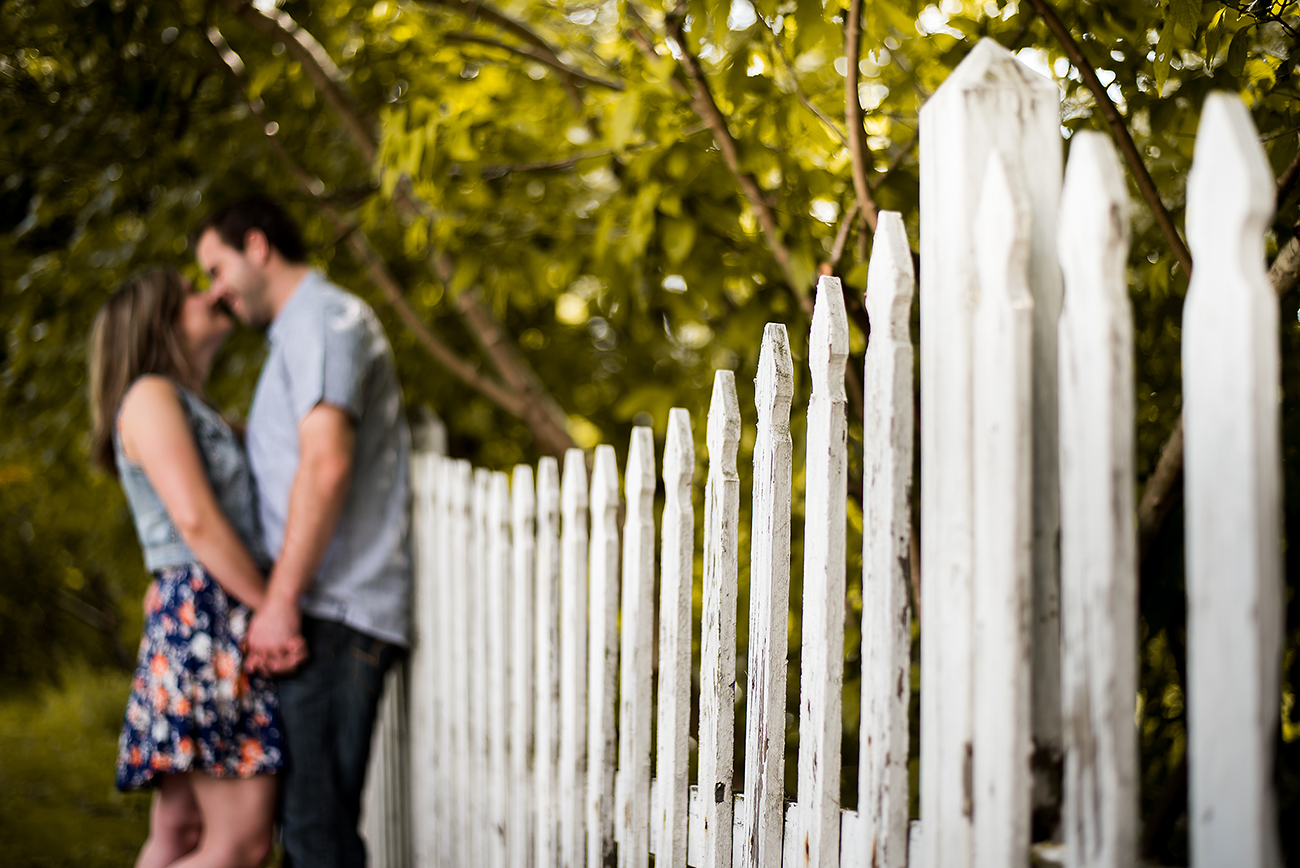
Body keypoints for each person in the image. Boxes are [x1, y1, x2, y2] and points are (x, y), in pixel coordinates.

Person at [194, 197, 412, 868]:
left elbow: (325, 463)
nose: (215, 290)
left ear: (256, 245)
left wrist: (280, 601)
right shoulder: (300, 332)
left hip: (330, 614)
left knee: (317, 840)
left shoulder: (322, 318)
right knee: (310, 833)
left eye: (217, 267)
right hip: (322, 613)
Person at [90, 266, 297, 868]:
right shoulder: (151, 395)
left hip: (198, 612)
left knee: (179, 831)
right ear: (159, 320)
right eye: (192, 293)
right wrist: (271, 606)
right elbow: (196, 521)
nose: (212, 294)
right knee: (241, 842)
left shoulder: (176, 400)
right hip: (210, 612)